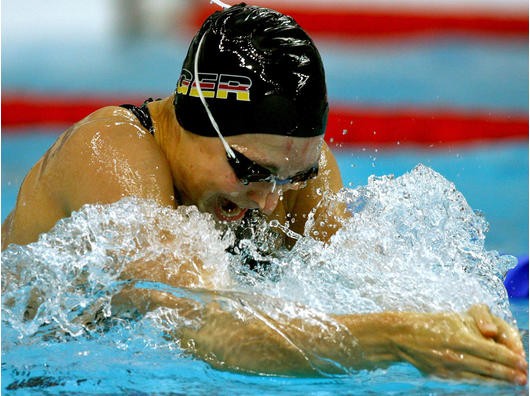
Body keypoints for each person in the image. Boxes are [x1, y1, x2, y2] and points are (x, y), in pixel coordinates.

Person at [1, 3, 526, 384]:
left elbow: (362, 286)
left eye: (292, 177)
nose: (271, 202)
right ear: (193, 118)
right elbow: (205, 326)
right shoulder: (112, 157)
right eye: (250, 170)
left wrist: (458, 324)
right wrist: (395, 338)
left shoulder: (292, 175)